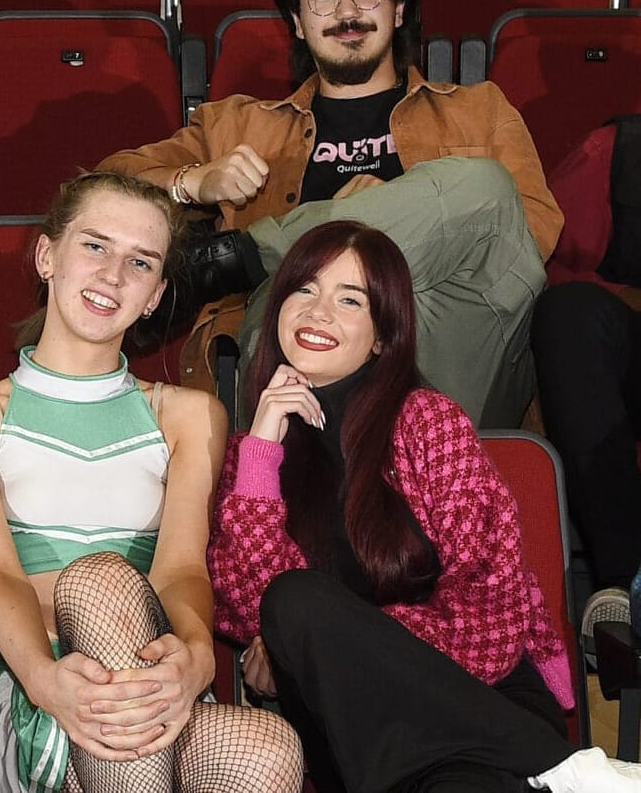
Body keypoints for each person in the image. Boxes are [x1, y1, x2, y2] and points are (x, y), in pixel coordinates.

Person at [209, 219, 641, 793]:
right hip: (353, 731)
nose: (319, 311)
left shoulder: (427, 422)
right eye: (305, 288)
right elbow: (247, 609)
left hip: (480, 700)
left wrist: (333, 645)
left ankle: (548, 763)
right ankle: (565, 768)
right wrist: (263, 449)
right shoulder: (249, 457)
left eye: (350, 299)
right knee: (293, 600)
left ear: (384, 335)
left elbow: (493, 606)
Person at [99, 0, 561, 427]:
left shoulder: (480, 111)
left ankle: (243, 257)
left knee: (484, 187)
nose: (347, 12)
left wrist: (367, 227)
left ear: (399, 8)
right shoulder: (238, 124)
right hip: (296, 342)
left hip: (441, 334)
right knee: (304, 300)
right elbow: (98, 190)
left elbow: (529, 234)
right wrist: (193, 182)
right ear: (297, 20)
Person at [0, 171, 302, 792]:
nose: (112, 275)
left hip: (149, 692)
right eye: (95, 246)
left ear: (155, 294)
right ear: (48, 256)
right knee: (100, 580)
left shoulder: (187, 415)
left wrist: (194, 658)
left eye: (140, 263)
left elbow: (183, 569)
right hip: (29, 688)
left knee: (268, 749)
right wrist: (49, 685)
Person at [529, 119, 641, 639]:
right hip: (628, 349)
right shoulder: (619, 152)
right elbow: (543, 260)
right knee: (569, 312)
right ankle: (626, 581)